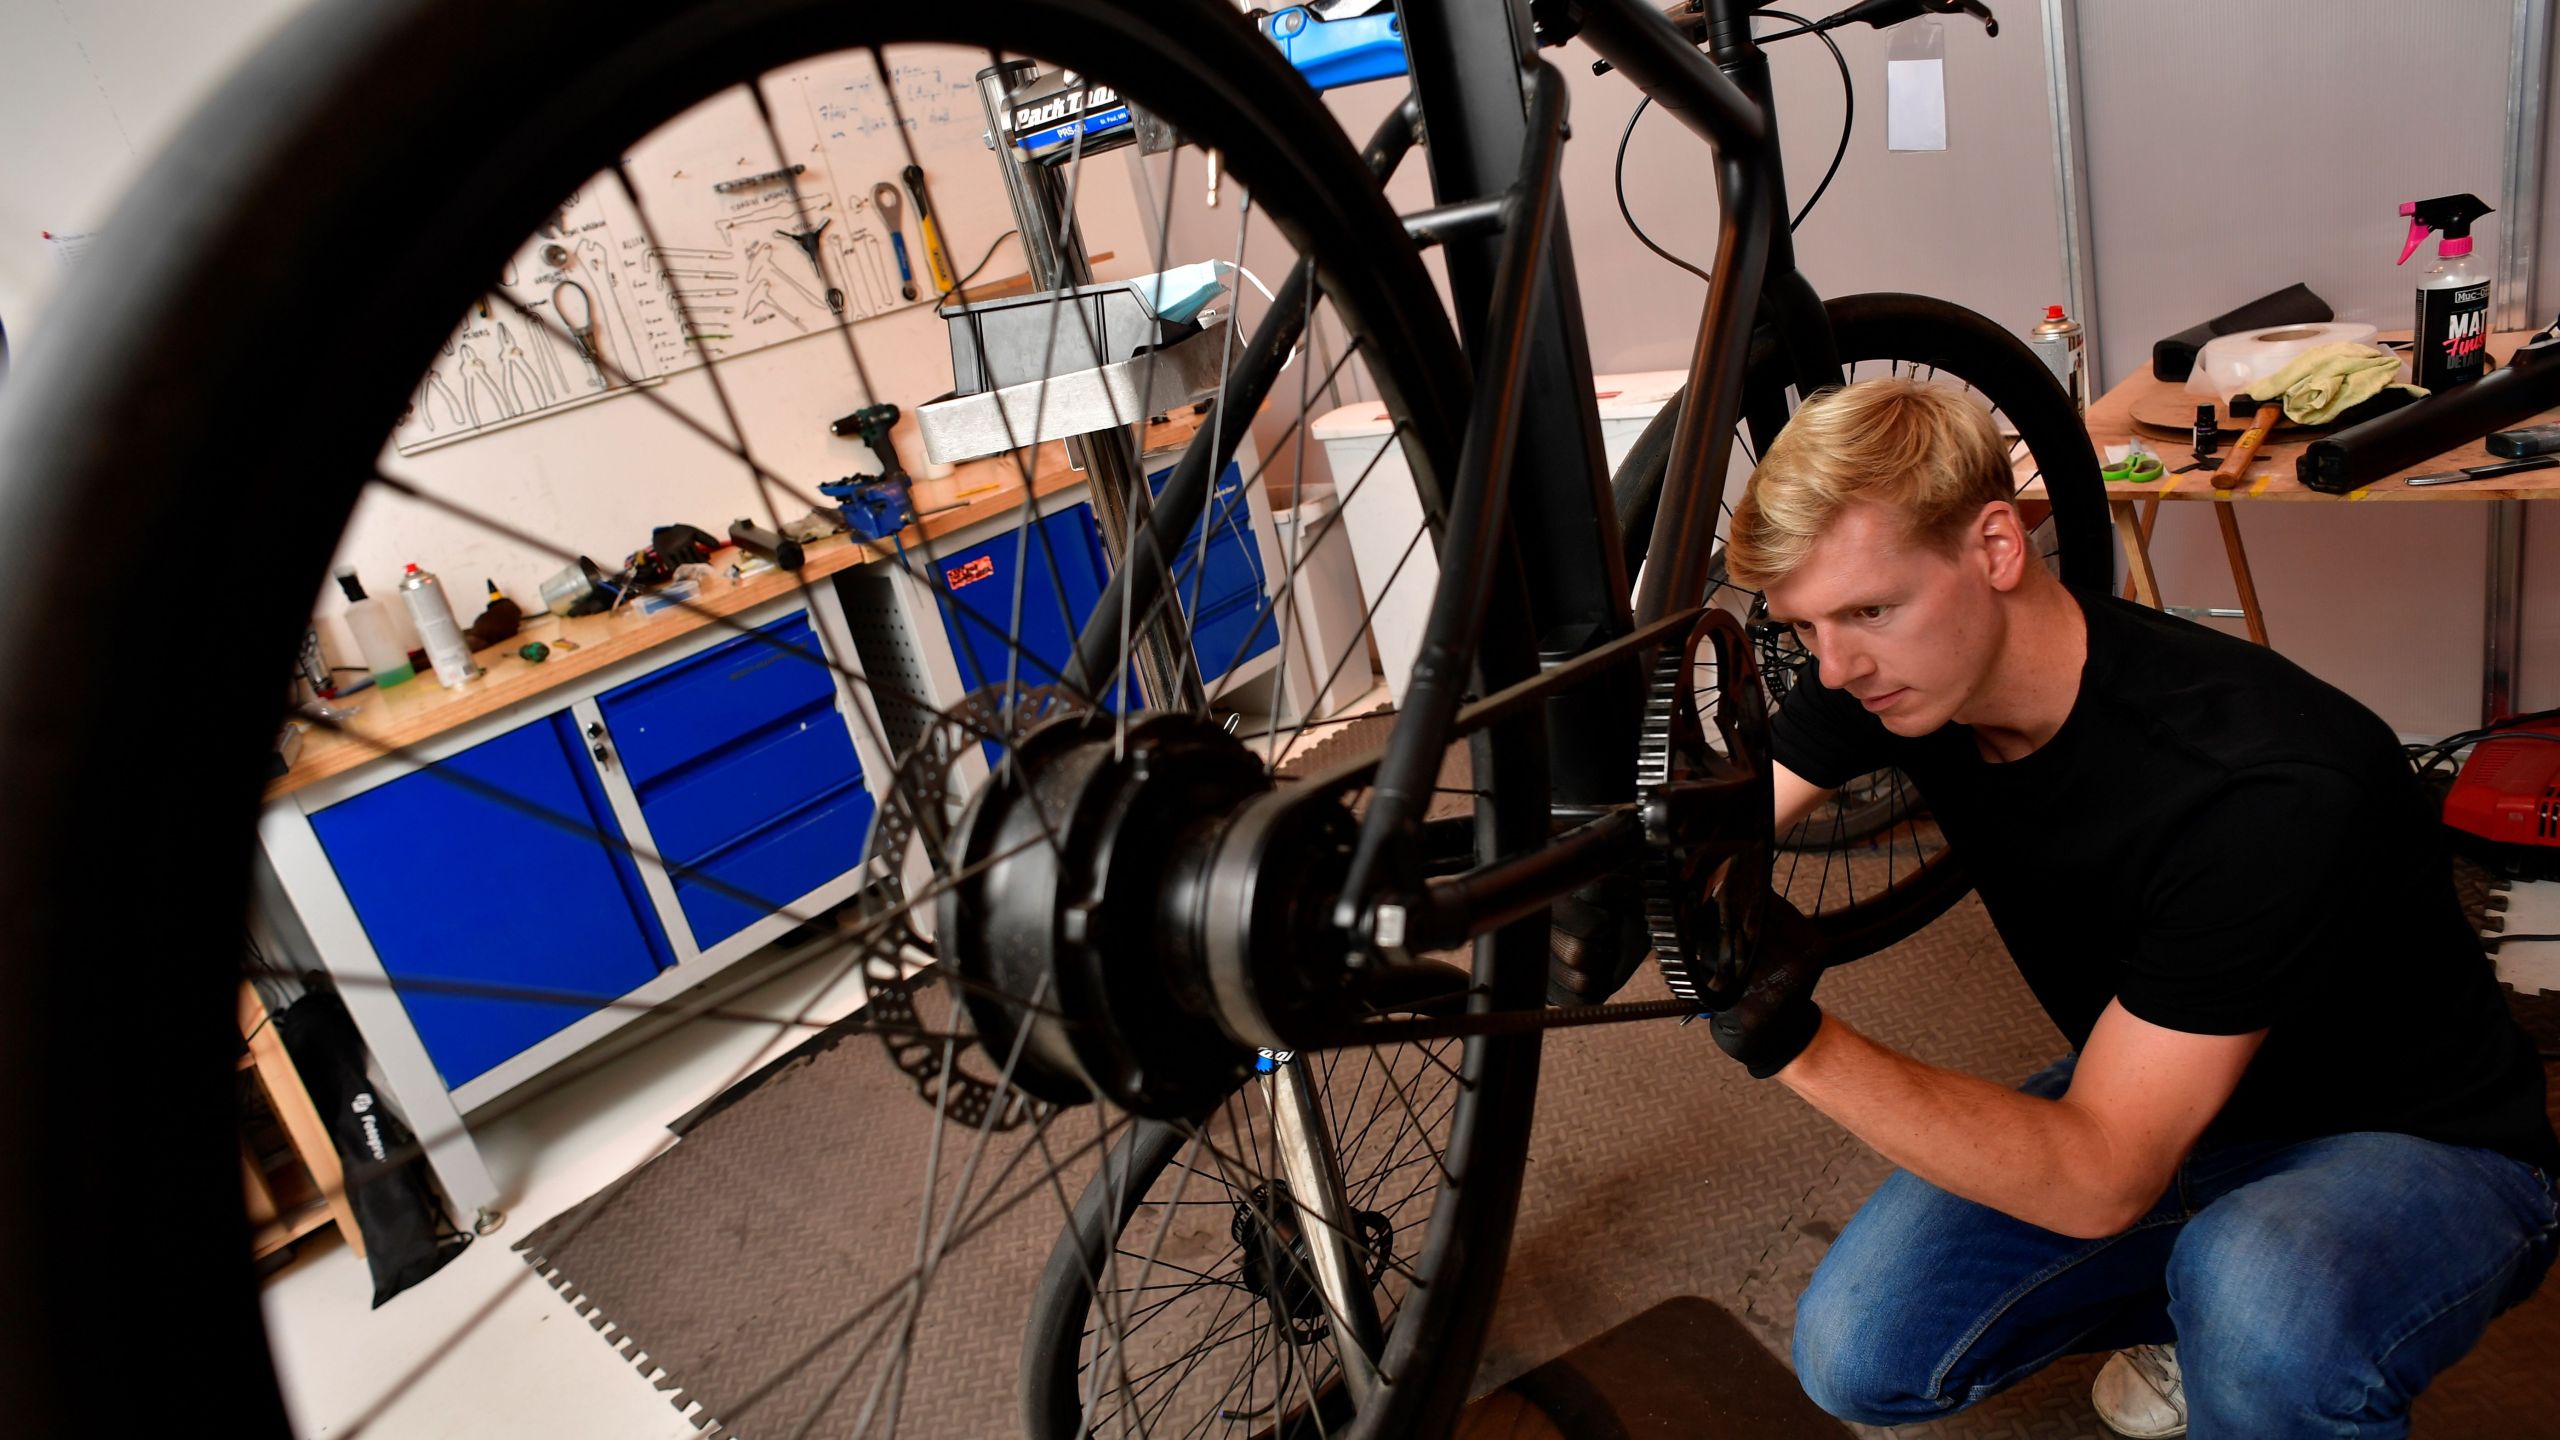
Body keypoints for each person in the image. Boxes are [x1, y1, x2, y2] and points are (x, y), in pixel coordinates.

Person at [1704, 377, 2560, 1438]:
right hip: (2174, 1086)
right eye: (1808, 627)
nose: (1835, 666)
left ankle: (2232, 1315)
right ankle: (2199, 1293)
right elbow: (1716, 839)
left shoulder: (2258, 786)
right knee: (1859, 1349)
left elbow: (2101, 1177)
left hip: (2420, 1143)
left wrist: (1796, 1042)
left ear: (1996, 547)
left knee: (2256, 1300)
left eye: (1869, 610)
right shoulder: (1894, 673)